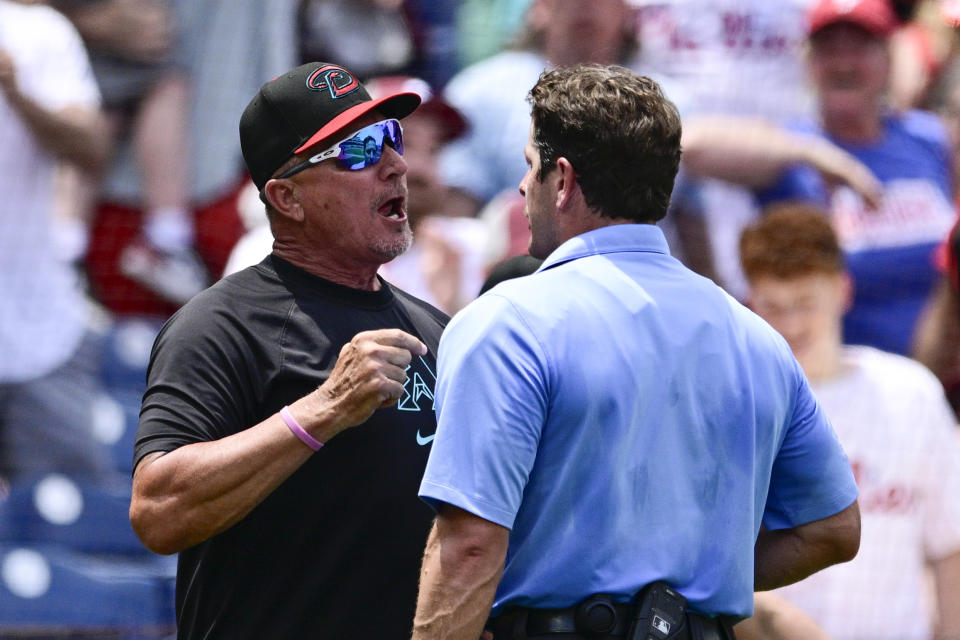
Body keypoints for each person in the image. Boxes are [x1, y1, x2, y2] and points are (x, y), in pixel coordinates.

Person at [411, 64, 861, 640]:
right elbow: (833, 529)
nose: (524, 187)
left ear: (563, 179)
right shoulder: (757, 338)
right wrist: (689, 591)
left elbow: (471, 546)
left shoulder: (507, 321)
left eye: (530, 166)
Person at [128, 61, 448, 639]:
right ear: (287, 197)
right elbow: (158, 511)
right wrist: (321, 411)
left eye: (391, 139)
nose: (395, 165)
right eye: (359, 150)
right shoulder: (219, 326)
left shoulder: (434, 328)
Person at [739, 205, 960, 640]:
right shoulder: (735, 408)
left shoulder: (912, 394)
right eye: (772, 306)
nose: (791, 324)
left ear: (842, 291)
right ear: (749, 303)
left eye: (805, 303)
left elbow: (949, 548)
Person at [755, 0, 956, 356]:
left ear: (888, 59)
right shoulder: (787, 149)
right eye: (829, 49)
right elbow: (692, 143)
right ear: (809, 63)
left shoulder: (928, 138)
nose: (843, 63)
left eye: (859, 48)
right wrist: (816, 154)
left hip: (941, 377)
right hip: (843, 382)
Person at [0, 0, 115, 480]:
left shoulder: (39, 30)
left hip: (36, 327)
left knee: (80, 519)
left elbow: (91, 148)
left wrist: (16, 92)